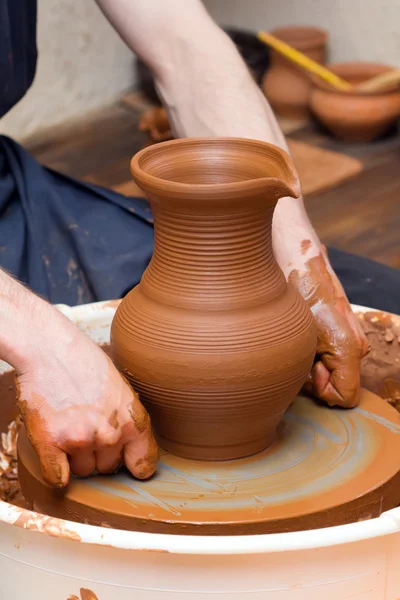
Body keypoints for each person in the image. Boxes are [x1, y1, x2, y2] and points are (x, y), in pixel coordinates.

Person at [1, 0, 397, 489]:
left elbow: (181, 45)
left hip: (10, 196)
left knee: (377, 297)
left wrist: (301, 261)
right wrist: (46, 344)